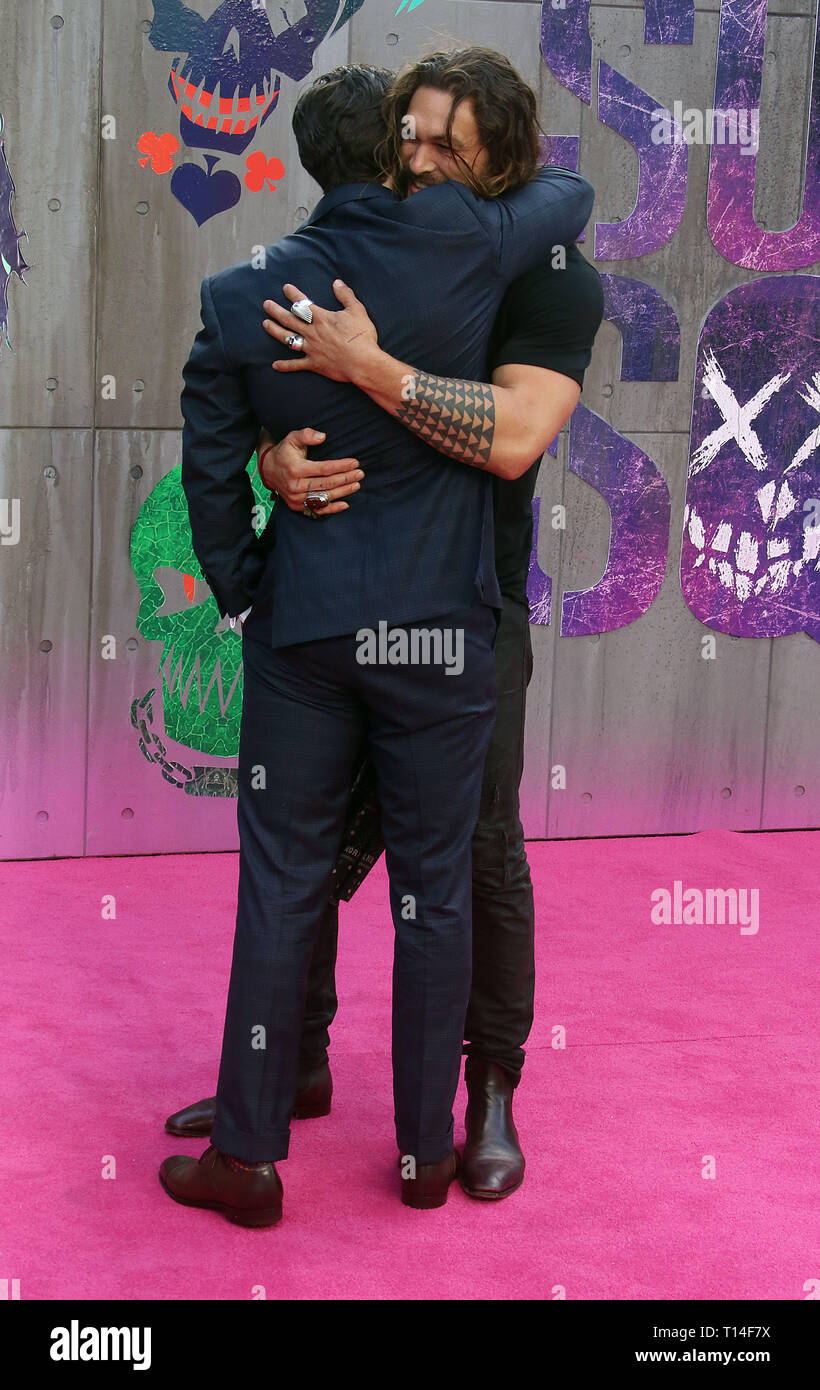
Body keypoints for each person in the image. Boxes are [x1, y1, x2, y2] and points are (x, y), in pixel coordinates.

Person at [160, 54, 594, 1226]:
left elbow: (507, 439)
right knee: (399, 885)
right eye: (413, 138)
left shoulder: (259, 285)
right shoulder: (463, 241)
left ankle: (333, 1132)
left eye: (449, 144)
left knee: (339, 875)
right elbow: (566, 195)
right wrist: (273, 462)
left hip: (378, 617)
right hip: (427, 627)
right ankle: (406, 1147)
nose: (426, 160)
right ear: (384, 145)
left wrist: (250, 581)